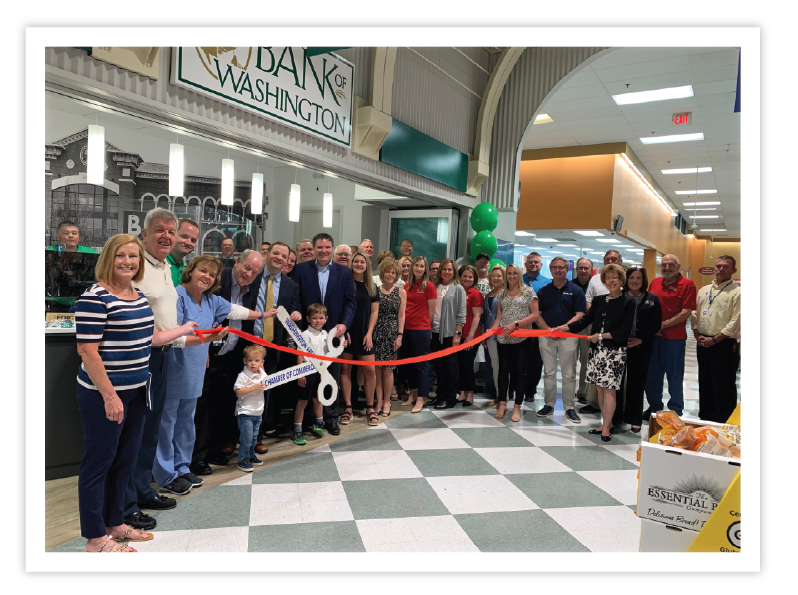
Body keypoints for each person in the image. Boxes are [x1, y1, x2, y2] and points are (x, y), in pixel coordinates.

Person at [75, 234, 195, 552]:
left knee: (124, 461)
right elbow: (87, 352)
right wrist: (110, 396)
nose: (128, 261)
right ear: (108, 259)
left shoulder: (137, 295)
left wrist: (184, 330)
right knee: (99, 463)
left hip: (138, 391)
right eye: (121, 255)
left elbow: (149, 339)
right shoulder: (95, 297)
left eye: (133, 256)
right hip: (105, 395)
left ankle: (115, 525)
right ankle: (95, 537)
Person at [154, 255, 268, 495]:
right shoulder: (177, 296)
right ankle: (165, 475)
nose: (207, 277)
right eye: (203, 271)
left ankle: (182, 467)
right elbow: (175, 338)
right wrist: (209, 338)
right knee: (168, 424)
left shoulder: (211, 301)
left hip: (195, 371)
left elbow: (236, 311)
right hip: (175, 369)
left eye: (212, 274)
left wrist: (262, 316)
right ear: (191, 271)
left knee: (187, 424)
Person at [123, 208, 203, 530]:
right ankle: (126, 504)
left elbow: (167, 321)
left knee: (151, 430)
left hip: (163, 356)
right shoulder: (135, 265)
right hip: (139, 358)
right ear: (145, 233)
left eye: (171, 231)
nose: (167, 236)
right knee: (134, 432)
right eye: (160, 230)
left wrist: (187, 341)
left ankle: (143, 490)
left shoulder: (166, 269)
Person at [191, 249, 265, 473]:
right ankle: (198, 457)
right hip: (206, 355)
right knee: (201, 408)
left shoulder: (251, 288)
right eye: (246, 268)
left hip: (231, 356)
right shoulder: (217, 280)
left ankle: (217, 448)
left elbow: (247, 319)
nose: (248, 274)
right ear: (237, 262)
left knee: (223, 405)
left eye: (254, 272)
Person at [558, 264, 634, 442]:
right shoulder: (599, 300)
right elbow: (586, 319)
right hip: (597, 351)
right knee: (600, 388)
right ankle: (604, 423)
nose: (611, 281)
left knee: (610, 391)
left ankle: (607, 426)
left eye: (615, 277)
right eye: (608, 278)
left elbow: (624, 331)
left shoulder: (628, 301)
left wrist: (599, 336)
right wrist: (567, 327)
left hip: (614, 352)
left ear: (621, 280)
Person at [292, 233, 357, 435]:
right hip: (307, 335)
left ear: (332, 248)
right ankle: (310, 420)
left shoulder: (344, 273)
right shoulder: (301, 269)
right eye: (319, 247)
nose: (324, 251)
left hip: (332, 337)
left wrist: (344, 326)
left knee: (330, 378)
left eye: (327, 247)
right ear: (314, 248)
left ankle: (330, 418)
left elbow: (350, 303)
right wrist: (298, 323)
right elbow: (295, 299)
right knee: (309, 380)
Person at [245, 242, 302, 452]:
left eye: (284, 256)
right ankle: (232, 438)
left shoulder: (290, 286)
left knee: (264, 393)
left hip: (271, 348)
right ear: (267, 254)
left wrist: (296, 315)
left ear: (288, 260)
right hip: (246, 343)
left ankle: (257, 437)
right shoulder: (253, 275)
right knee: (240, 390)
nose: (279, 258)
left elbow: (294, 312)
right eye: (275, 253)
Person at [643, 253, 697, 418]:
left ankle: (675, 410)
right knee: (652, 375)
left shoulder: (688, 284)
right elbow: (649, 306)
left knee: (674, 376)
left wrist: (662, 325)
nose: (667, 268)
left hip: (674, 339)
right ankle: (654, 407)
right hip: (654, 338)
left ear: (678, 267)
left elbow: (685, 312)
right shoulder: (654, 283)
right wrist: (652, 327)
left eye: (671, 265)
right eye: (664, 265)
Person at [534, 257, 586, 423]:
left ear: (566, 270)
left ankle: (569, 407)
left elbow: (580, 314)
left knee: (568, 374)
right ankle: (549, 404)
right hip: (546, 335)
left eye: (561, 268)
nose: (558, 270)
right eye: (555, 268)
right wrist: (548, 330)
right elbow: (537, 315)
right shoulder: (543, 291)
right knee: (548, 372)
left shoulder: (576, 290)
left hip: (568, 336)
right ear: (550, 270)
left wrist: (563, 327)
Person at [691, 256, 741, 423]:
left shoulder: (737, 292)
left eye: (725, 266)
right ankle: (706, 417)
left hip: (724, 344)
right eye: (718, 266)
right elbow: (695, 313)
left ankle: (724, 421)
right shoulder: (704, 290)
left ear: (733, 270)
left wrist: (716, 339)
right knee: (705, 382)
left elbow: (737, 320)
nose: (720, 269)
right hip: (703, 342)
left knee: (724, 385)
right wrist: (697, 333)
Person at [615, 267, 662, 433]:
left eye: (639, 278)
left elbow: (656, 324)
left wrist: (640, 339)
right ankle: (615, 418)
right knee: (616, 384)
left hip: (641, 346)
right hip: (618, 346)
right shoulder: (618, 297)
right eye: (632, 277)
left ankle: (635, 419)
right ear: (626, 279)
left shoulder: (652, 299)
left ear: (644, 281)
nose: (635, 281)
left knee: (637, 383)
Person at [490, 263, 540, 420]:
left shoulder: (528, 292)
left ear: (519, 274)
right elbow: (499, 316)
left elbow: (535, 315)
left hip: (522, 338)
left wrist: (516, 324)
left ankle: (517, 406)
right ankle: (503, 403)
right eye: (509, 273)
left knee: (520, 372)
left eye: (514, 273)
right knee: (503, 371)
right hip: (503, 338)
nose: (511, 276)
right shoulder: (502, 294)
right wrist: (492, 330)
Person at [339, 251, 380, 426]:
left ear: (367, 264)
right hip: (347, 332)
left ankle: (370, 407)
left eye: (362, 262)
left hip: (364, 333)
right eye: (356, 261)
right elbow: (341, 308)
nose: (359, 264)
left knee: (370, 371)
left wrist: (369, 333)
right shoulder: (345, 284)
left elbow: (374, 312)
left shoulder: (371, 286)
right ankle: (348, 407)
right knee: (345, 370)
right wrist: (345, 329)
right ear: (351, 263)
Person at [580, 250, 623, 415]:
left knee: (611, 380)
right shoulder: (596, 280)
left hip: (615, 338)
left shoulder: (624, 287)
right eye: (608, 259)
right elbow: (589, 301)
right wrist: (596, 320)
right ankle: (595, 405)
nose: (611, 261)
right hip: (596, 333)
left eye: (614, 258)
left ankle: (612, 415)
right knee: (596, 374)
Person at [428, 259, 466, 410]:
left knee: (451, 367)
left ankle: (450, 398)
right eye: (444, 269)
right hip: (435, 332)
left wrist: (458, 333)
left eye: (450, 269)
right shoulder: (435, 286)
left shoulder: (458, 289)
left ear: (454, 271)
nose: (446, 272)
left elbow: (461, 313)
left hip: (450, 334)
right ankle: (440, 395)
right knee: (439, 366)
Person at [402, 256, 438, 413]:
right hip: (406, 329)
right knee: (409, 364)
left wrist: (423, 325)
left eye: (421, 266)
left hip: (421, 330)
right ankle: (412, 393)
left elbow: (431, 311)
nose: (418, 268)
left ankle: (421, 398)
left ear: (425, 269)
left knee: (422, 365)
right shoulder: (407, 285)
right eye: (416, 265)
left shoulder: (429, 286)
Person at [293, 304, 332, 445]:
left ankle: (319, 424)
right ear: (308, 319)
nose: (318, 321)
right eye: (314, 318)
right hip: (307, 371)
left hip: (321, 372)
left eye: (321, 318)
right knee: (302, 401)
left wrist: (342, 345)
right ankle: (297, 430)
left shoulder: (326, 334)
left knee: (318, 399)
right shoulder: (304, 335)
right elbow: (299, 355)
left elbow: (330, 351)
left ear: (326, 319)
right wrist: (300, 374)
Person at [373, 258, 406, 416]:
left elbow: (401, 316)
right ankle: (378, 401)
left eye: (393, 272)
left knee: (388, 370)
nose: (390, 275)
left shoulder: (401, 292)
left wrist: (400, 335)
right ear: (382, 273)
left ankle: (387, 402)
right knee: (377, 370)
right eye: (388, 271)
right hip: (376, 333)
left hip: (392, 333)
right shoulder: (375, 290)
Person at [233, 345, 269, 471]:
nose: (253, 363)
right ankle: (242, 460)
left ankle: (251, 455)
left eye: (257, 360)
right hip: (245, 412)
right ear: (244, 361)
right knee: (246, 438)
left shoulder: (263, 374)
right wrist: (254, 387)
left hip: (258, 412)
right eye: (250, 360)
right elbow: (238, 392)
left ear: (262, 362)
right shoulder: (243, 376)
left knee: (254, 437)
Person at [520, 251, 551, 405]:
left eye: (536, 262)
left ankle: (530, 390)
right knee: (519, 357)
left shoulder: (547, 283)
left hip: (538, 326)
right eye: (530, 262)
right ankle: (517, 387)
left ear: (541, 265)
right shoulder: (518, 281)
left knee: (535, 359)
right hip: (519, 324)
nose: (533, 264)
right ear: (525, 265)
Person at [456, 265, 483, 407]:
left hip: (470, 335)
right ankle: (462, 392)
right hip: (458, 335)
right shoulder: (457, 291)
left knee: (467, 364)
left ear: (474, 279)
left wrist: (470, 337)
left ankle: (470, 394)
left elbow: (477, 316)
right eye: (465, 276)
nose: (467, 279)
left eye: (470, 277)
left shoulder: (475, 294)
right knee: (460, 364)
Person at [482, 265, 505, 408]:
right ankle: (498, 395)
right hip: (489, 336)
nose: (495, 278)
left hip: (502, 336)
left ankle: (502, 396)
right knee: (494, 366)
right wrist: (484, 334)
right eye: (493, 276)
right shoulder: (488, 295)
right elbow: (485, 317)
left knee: (501, 367)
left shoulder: (505, 294)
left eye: (499, 276)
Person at [572, 258, 593, 405]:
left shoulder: (596, 284)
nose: (583, 271)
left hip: (589, 327)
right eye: (581, 268)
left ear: (591, 269)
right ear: (577, 269)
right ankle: (568, 389)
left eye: (586, 268)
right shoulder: (570, 285)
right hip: (572, 326)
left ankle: (583, 392)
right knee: (570, 360)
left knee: (586, 360)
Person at [166, 219, 200, 287]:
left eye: (193, 240)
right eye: (184, 236)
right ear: (172, 234)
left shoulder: (183, 269)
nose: (188, 243)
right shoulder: (160, 263)